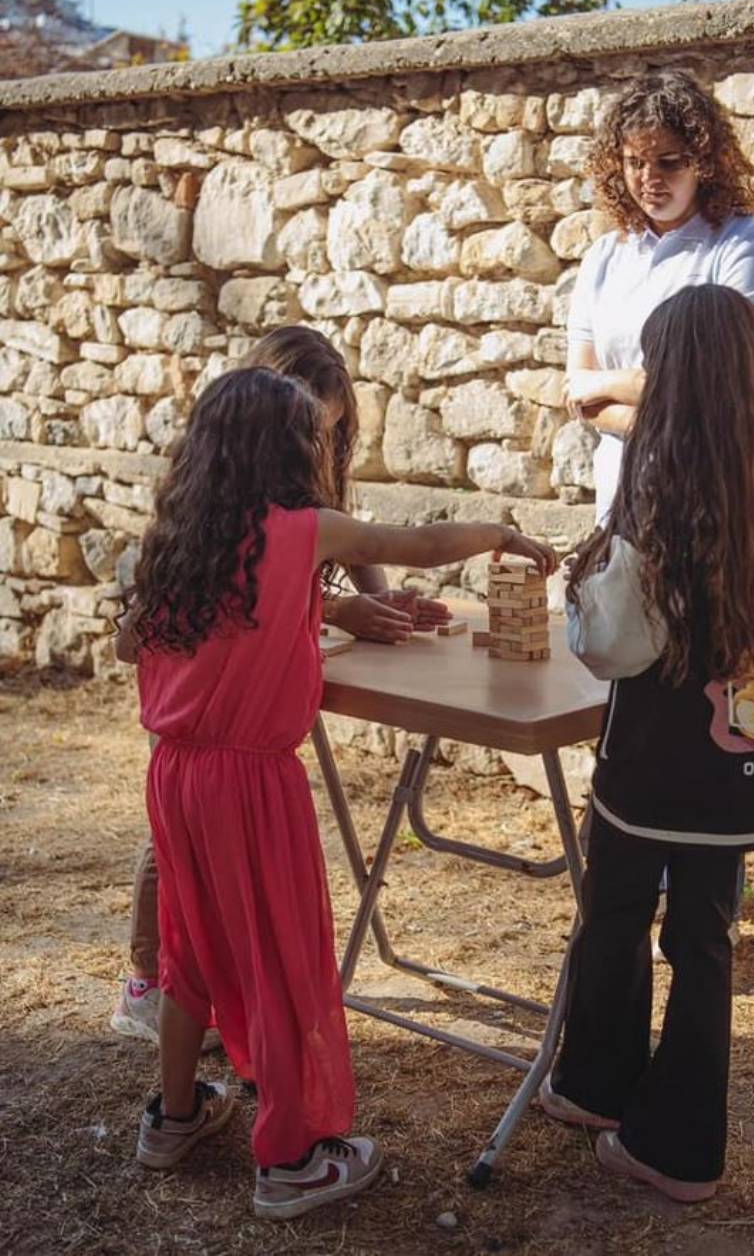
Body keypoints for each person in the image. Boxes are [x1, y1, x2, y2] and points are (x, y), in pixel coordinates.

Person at [117, 366, 554, 1219]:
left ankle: (172, 1119)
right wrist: (499, 532)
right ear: (288, 454)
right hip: (251, 783)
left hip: (174, 774)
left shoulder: (179, 540)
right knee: (282, 960)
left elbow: (136, 645)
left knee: (191, 950)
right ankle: (289, 1160)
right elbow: (415, 545)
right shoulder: (301, 530)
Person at [540, 286, 754, 1203]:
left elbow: (618, 640)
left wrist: (583, 583)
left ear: (680, 374)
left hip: (659, 762)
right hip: (746, 769)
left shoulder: (661, 479)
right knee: (704, 937)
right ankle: (666, 1124)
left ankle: (618, 1100)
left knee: (617, 906)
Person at [111, 326, 450, 1048]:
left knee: (207, 846)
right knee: (180, 850)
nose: (319, 449)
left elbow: (347, 540)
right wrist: (337, 610)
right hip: (201, 695)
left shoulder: (290, 468)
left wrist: (378, 603)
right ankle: (150, 980)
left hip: (244, 677)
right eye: (313, 433)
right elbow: (235, 590)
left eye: (331, 434)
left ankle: (208, 989)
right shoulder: (211, 497)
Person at [564, 70, 754, 938]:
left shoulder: (746, 242)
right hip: (626, 507)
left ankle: (703, 901)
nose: (649, 178)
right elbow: (574, 387)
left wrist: (618, 400)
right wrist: (662, 397)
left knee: (707, 704)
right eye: (632, 162)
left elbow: (727, 383)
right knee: (635, 695)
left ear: (705, 159)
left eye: (668, 160)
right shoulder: (605, 256)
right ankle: (631, 876)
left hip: (716, 514)